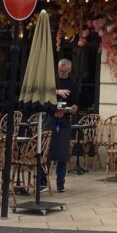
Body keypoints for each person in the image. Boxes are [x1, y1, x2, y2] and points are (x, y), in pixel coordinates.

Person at [40, 58, 78, 193]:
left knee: (62, 153)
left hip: (64, 121)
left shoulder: (73, 84)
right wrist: (56, 92)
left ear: (69, 70)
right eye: (59, 70)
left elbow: (75, 104)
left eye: (64, 71)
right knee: (45, 150)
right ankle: (42, 182)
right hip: (50, 118)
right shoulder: (52, 81)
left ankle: (60, 183)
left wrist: (70, 109)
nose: (61, 73)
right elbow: (42, 92)